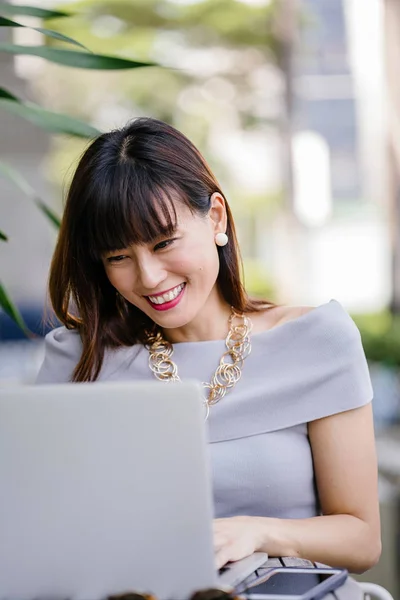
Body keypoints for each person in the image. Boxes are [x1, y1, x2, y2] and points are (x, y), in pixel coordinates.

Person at [36, 117, 381, 574]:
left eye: (164, 242)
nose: (149, 278)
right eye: (118, 257)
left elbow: (361, 538)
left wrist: (257, 532)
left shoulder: (316, 341)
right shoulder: (79, 361)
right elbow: (44, 529)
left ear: (215, 217)